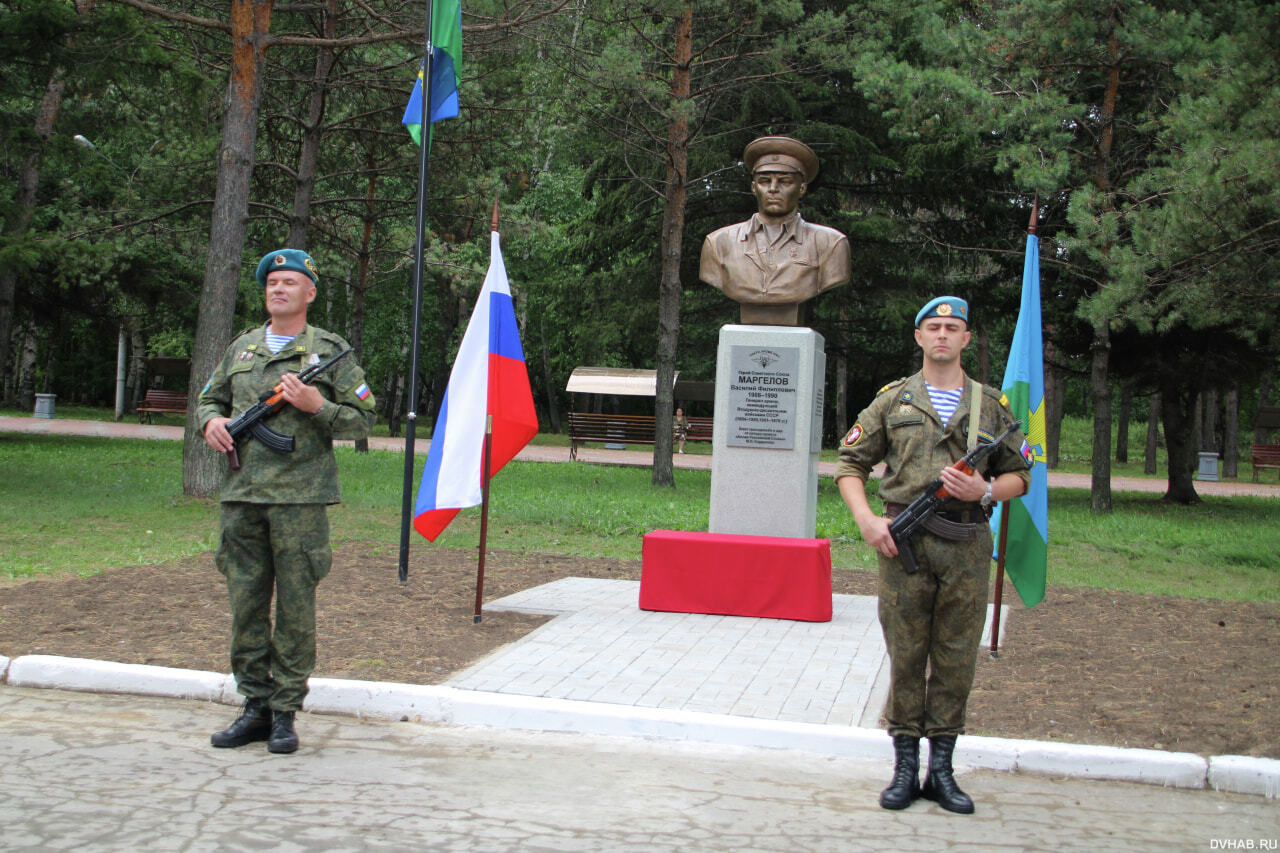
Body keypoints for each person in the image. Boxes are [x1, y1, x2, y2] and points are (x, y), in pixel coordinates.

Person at [834, 296, 1031, 814]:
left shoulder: (991, 407)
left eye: (953, 328)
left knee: (955, 658)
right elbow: (849, 464)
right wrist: (868, 521)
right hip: (903, 544)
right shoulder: (893, 401)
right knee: (905, 655)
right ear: (918, 337)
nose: (942, 335)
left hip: (966, 546)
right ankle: (904, 768)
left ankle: (941, 770)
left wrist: (984, 491)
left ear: (967, 339)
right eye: (934, 327)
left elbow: (1022, 476)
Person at [198, 248, 376, 754]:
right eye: (273, 282)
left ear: (310, 293)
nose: (279, 289)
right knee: (246, 606)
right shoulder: (243, 348)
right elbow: (209, 398)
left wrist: (317, 405)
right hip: (243, 498)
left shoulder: (328, 350)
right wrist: (210, 421)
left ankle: (284, 713)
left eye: (290, 282)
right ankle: (253, 706)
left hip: (300, 500)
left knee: (296, 609)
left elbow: (365, 418)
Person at [699, 136, 850, 326]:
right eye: (764, 181)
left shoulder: (831, 244)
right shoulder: (718, 243)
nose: (772, 189)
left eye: (785, 181)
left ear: (802, 188)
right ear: (754, 188)